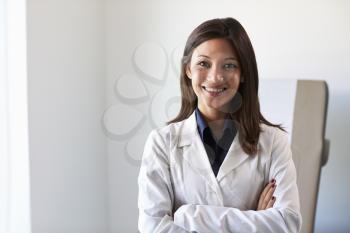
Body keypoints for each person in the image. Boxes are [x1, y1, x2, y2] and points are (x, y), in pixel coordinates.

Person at [138, 17, 302, 233]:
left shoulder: (274, 142)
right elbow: (152, 226)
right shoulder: (162, 143)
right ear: (188, 69)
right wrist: (256, 220)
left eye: (229, 65)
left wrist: (189, 217)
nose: (215, 77)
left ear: (243, 73)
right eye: (203, 63)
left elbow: (288, 223)